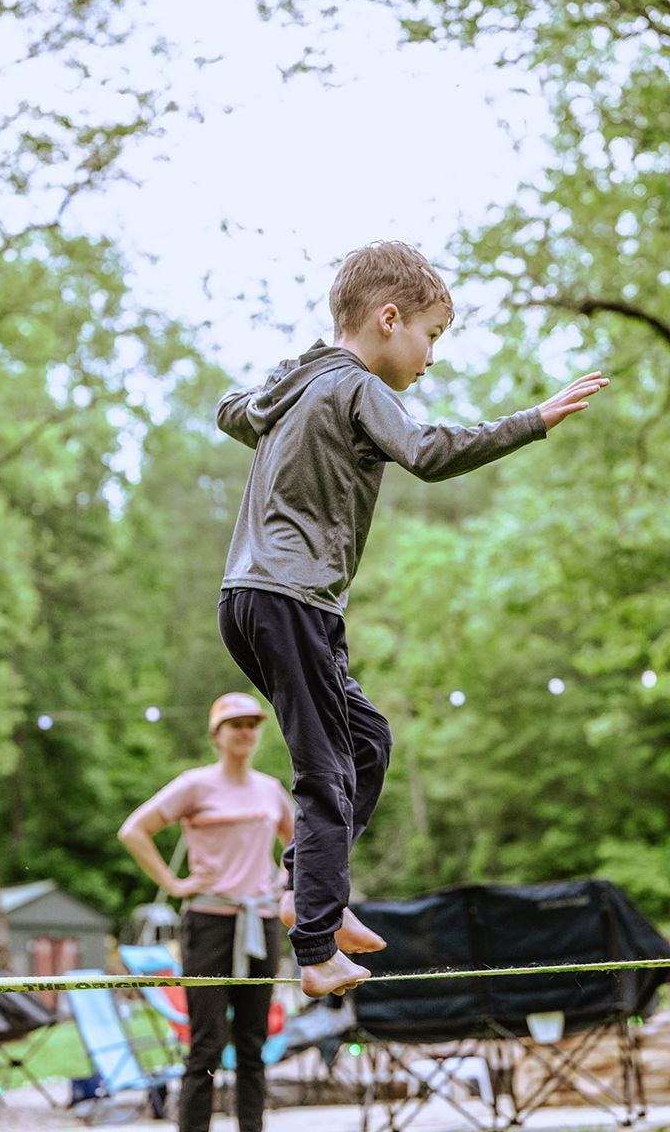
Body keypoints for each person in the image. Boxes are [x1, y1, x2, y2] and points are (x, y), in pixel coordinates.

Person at [215, 240, 609, 1000]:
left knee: (367, 740)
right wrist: (531, 421)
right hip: (293, 600)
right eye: (431, 335)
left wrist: (284, 378)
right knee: (326, 772)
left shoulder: (300, 385)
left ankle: (308, 891)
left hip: (248, 601)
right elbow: (427, 452)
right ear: (387, 319)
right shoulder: (358, 387)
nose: (431, 356)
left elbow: (233, 411)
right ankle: (316, 945)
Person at [118, 691, 294, 1132]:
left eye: (253, 724)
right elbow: (134, 830)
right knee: (207, 1043)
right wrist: (174, 884)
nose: (246, 732)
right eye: (236, 724)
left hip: (262, 923)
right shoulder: (195, 785)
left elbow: (300, 847)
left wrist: (284, 884)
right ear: (217, 734)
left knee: (253, 1044)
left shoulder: (271, 790)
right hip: (209, 923)